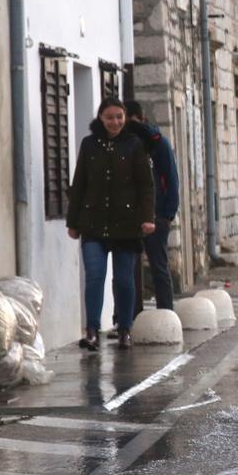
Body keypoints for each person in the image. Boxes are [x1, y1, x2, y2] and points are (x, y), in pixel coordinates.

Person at [66, 97, 156, 350]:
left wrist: (147, 218)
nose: (115, 122)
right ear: (101, 118)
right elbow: (79, 183)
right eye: (109, 117)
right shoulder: (89, 144)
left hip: (126, 224)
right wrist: (73, 222)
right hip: (93, 223)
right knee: (95, 276)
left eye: (119, 117)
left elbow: (146, 185)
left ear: (125, 117)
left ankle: (125, 328)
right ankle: (92, 330)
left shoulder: (134, 144)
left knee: (124, 280)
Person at [125, 100, 180, 320]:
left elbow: (171, 178)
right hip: (129, 215)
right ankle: (127, 318)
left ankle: (166, 316)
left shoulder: (158, 143)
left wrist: (167, 214)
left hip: (156, 214)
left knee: (159, 266)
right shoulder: (122, 143)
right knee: (126, 268)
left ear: (140, 119)